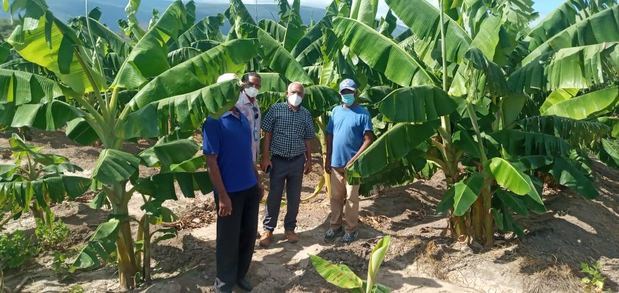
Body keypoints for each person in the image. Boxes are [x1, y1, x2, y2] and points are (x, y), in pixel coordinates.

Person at [203, 75, 263, 293]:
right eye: (235, 88)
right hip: (230, 191)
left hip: (249, 187)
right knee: (228, 240)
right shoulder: (214, 121)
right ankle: (224, 284)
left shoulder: (242, 117)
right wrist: (223, 196)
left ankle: (240, 275)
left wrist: (257, 180)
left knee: (248, 235)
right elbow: (211, 161)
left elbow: (248, 154)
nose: (240, 91)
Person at [259, 82, 315, 247]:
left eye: (299, 93)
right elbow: (267, 134)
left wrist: (309, 160)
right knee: (274, 195)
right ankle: (268, 229)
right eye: (293, 92)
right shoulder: (276, 110)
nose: (296, 96)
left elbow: (307, 138)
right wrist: (265, 157)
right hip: (278, 160)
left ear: (303, 96)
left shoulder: (305, 114)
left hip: (297, 160)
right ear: (286, 93)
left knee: (294, 197)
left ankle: (290, 228)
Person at [324, 79, 374, 244]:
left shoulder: (363, 113)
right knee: (336, 197)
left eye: (350, 92)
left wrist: (355, 159)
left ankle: (351, 230)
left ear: (355, 93)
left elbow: (368, 139)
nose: (347, 95)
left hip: (354, 166)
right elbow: (329, 135)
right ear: (340, 94)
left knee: (352, 198)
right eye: (344, 92)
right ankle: (335, 225)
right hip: (336, 163)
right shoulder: (336, 111)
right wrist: (328, 157)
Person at [235, 72, 262, 163]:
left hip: (253, 151)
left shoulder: (255, 103)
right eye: (250, 84)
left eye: (257, 86)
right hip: (239, 153)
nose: (254, 88)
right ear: (243, 84)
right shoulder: (237, 103)